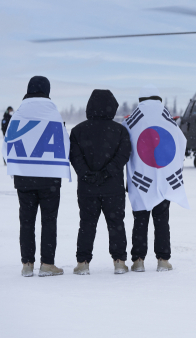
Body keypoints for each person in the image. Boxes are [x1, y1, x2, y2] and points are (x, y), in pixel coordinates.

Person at [2, 76, 71, 277]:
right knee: (49, 221)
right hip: (50, 179)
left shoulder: (18, 115)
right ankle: (47, 264)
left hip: (24, 179)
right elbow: (65, 146)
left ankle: (27, 264)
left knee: (26, 221)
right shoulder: (54, 115)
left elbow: (6, 148)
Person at [124, 86, 189, 273]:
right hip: (164, 181)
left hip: (140, 181)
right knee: (162, 220)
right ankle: (163, 259)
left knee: (140, 220)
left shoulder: (132, 122)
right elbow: (181, 144)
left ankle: (138, 260)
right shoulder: (169, 122)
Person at [70, 90, 132, 275]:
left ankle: (83, 263)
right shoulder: (120, 130)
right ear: (112, 107)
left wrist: (87, 174)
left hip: (87, 188)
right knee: (116, 224)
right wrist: (107, 173)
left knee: (87, 224)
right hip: (113, 187)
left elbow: (74, 156)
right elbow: (123, 156)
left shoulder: (77, 131)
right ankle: (120, 262)